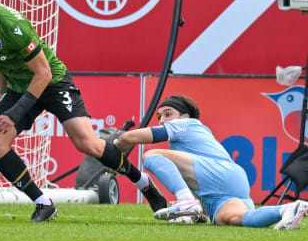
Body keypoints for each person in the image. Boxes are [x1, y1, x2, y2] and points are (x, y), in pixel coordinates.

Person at [0, 0, 167, 222]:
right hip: (19, 86)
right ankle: (43, 203)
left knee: (88, 144)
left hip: (52, 82)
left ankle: (145, 185)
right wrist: (3, 101)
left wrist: (14, 113)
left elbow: (42, 73)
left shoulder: (11, 26)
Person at [115, 95, 308, 229]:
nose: (162, 120)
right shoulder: (185, 139)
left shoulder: (186, 124)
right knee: (234, 219)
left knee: (151, 156)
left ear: (184, 116)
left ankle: (185, 202)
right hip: (228, 189)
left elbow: (140, 136)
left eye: (168, 114)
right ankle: (287, 209)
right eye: (159, 117)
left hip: (221, 174)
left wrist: (119, 144)